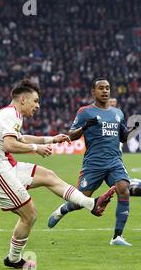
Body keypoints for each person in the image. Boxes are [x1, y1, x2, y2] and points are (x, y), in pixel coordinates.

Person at [0, 79, 114, 270]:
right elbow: (9, 145)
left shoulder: (11, 114)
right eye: (36, 101)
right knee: (29, 215)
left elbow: (20, 139)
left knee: (48, 176)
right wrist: (36, 148)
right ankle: (14, 259)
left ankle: (92, 204)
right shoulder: (10, 115)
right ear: (23, 99)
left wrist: (52, 139)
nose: (38, 106)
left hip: (5, 166)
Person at [47, 78, 134, 247]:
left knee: (124, 189)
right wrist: (85, 126)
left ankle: (117, 237)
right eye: (101, 88)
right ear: (93, 92)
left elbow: (122, 137)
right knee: (81, 201)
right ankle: (62, 210)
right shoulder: (85, 112)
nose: (105, 91)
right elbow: (71, 136)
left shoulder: (118, 113)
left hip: (114, 160)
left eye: (107, 88)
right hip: (93, 164)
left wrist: (130, 131)